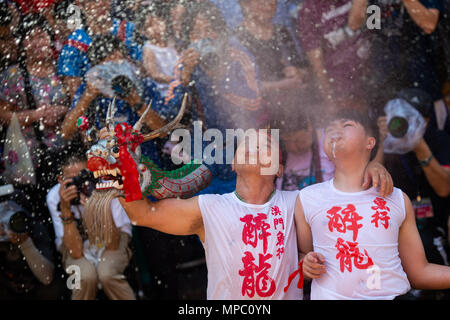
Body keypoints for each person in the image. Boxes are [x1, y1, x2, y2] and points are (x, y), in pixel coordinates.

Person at [118, 129, 394, 300]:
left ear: (279, 169)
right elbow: (143, 214)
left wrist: (373, 167)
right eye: (247, 143)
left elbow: (349, 198)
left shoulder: (299, 201)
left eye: (264, 145)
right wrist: (122, 172)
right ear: (235, 163)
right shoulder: (210, 207)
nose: (253, 147)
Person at [293, 108, 450, 300]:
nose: (334, 130)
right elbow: (301, 256)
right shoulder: (307, 198)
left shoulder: (397, 199)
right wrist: (305, 264)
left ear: (370, 142)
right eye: (329, 128)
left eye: (347, 124)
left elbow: (419, 273)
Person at [383, 88, 450, 298]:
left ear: (427, 120)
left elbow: (444, 187)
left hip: (432, 224)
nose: (403, 123)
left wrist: (419, 146)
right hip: (394, 224)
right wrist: (379, 140)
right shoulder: (388, 142)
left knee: (428, 244)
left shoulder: (439, 140)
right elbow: (365, 186)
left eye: (412, 118)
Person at [46, 153, 136, 300]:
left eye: (83, 176)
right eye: (71, 180)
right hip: (76, 243)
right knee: (84, 277)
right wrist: (65, 209)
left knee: (107, 273)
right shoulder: (55, 196)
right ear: (60, 180)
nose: (79, 184)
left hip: (113, 236)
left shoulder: (108, 184)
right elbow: (74, 252)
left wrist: (96, 207)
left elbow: (113, 243)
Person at [235, 0, 310, 122]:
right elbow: (241, 87)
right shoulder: (238, 39)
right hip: (260, 117)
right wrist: (281, 86)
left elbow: (306, 72)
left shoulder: (282, 32)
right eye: (261, 2)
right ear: (245, 4)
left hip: (292, 112)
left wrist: (299, 73)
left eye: (272, 2)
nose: (269, 5)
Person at [297, 0, 372, 112]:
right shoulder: (309, 11)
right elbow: (317, 66)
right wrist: (330, 101)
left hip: (373, 77)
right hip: (344, 91)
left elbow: (375, 27)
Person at [0, 188, 58, 300]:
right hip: (5, 288)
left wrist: (25, 243)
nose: (7, 223)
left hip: (36, 285)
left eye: (12, 216)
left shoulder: (35, 228)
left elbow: (47, 278)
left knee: (52, 291)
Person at [140, 5, 180, 97]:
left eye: (159, 22)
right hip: (164, 91)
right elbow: (154, 74)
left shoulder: (172, 43)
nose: (156, 28)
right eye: (150, 25)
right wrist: (174, 80)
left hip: (178, 86)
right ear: (144, 31)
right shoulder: (149, 49)